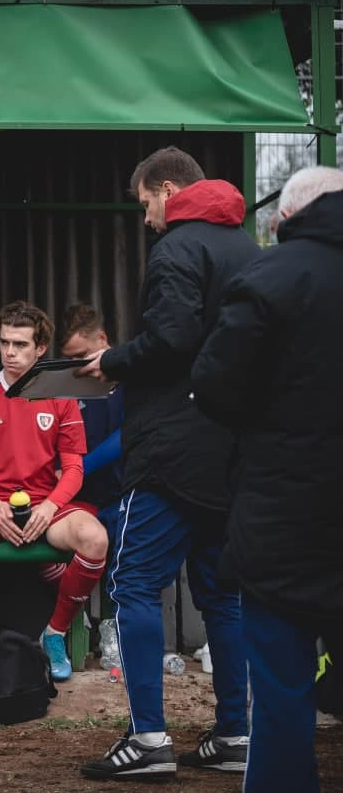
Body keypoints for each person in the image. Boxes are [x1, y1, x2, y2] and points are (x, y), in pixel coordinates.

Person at [76, 146, 258, 780]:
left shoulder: (177, 248)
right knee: (224, 596)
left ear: (168, 190)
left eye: (145, 204)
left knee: (132, 583)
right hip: (231, 451)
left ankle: (148, 739)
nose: (147, 218)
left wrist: (114, 360)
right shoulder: (246, 248)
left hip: (173, 451)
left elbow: (172, 339)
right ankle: (235, 734)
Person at [192, 166, 343, 793]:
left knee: (281, 692)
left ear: (285, 218)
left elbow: (214, 387)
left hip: (283, 518)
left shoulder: (268, 278)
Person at [0, 301, 106, 681]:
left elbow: (74, 468)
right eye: (4, 343)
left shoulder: (61, 395)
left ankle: (55, 633)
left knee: (95, 539)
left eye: (20, 344)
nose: (9, 353)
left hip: (44, 504)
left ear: (40, 348)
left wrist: (49, 507)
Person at [58, 304, 125, 531]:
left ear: (102, 338)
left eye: (82, 356)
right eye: (70, 359)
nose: (77, 366)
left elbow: (127, 434)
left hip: (127, 494)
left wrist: (76, 470)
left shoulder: (135, 375)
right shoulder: (65, 383)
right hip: (81, 498)